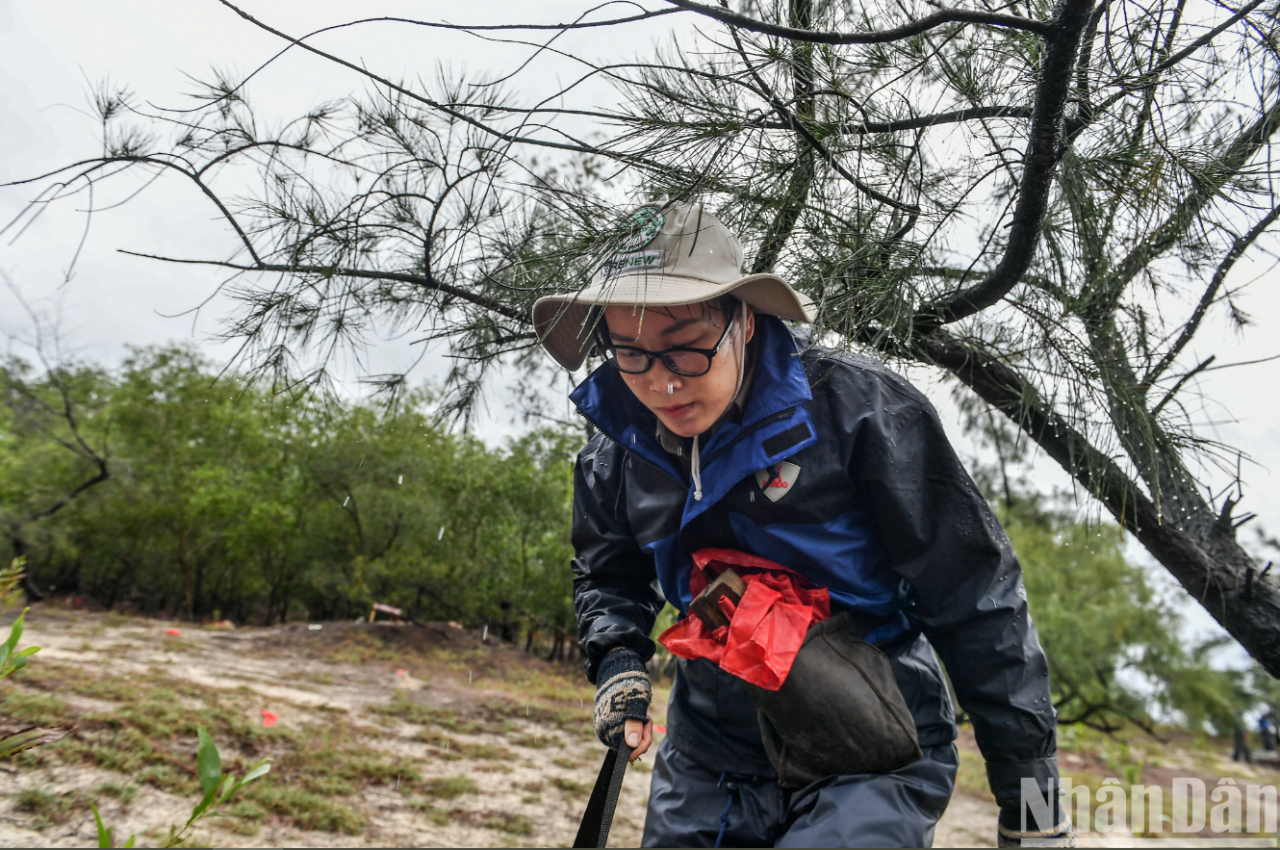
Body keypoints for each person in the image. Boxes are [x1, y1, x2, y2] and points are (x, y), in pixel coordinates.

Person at [532, 201, 1071, 848]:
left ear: (745, 322)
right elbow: (607, 569)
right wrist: (618, 658)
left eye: (684, 351)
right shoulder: (616, 448)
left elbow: (978, 600)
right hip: (710, 750)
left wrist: (1034, 806)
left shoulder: (863, 412)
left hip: (873, 733)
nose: (663, 385)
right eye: (631, 355)